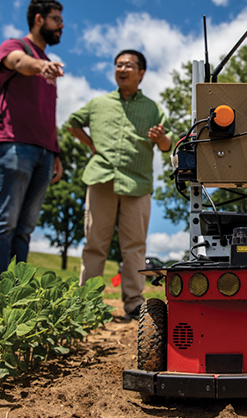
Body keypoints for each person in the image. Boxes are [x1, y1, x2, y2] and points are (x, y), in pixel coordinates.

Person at [67, 50, 172, 320]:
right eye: (118, 64)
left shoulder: (153, 108)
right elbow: (73, 123)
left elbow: (168, 145)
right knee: (94, 244)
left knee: (135, 246)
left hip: (137, 184)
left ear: (141, 73)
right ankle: (86, 303)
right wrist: (90, 145)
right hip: (101, 179)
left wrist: (160, 137)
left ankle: (134, 303)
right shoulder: (98, 103)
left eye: (128, 65)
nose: (122, 69)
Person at [0, 0, 65, 287]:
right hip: (14, 144)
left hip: (44, 152)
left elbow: (47, 114)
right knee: (6, 222)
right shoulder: (14, 47)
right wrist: (41, 66)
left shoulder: (47, 65)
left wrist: (57, 153)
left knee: (25, 228)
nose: (61, 26)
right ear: (39, 19)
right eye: (56, 19)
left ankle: (14, 293)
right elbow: (19, 63)